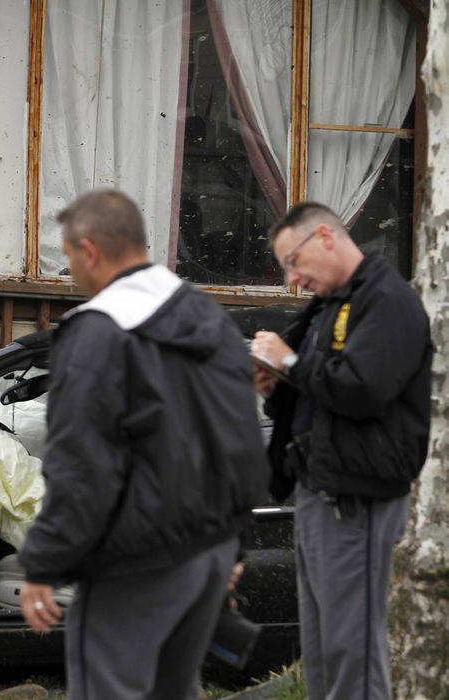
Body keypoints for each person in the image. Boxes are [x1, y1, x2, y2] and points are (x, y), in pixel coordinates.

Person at [17, 189, 267, 699]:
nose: (70, 275)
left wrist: (43, 563)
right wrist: (233, 542)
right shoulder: (208, 317)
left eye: (67, 258)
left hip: (135, 561)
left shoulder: (96, 333)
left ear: (90, 251)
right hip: (208, 549)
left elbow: (82, 464)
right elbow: (241, 437)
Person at [250, 202, 432, 700]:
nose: (293, 278)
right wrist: (276, 383)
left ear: (326, 237)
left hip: (359, 500)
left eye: (294, 262)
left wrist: (288, 360)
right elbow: (320, 389)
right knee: (325, 654)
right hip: (317, 491)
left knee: (354, 657)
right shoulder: (332, 304)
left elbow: (364, 390)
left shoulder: (387, 300)